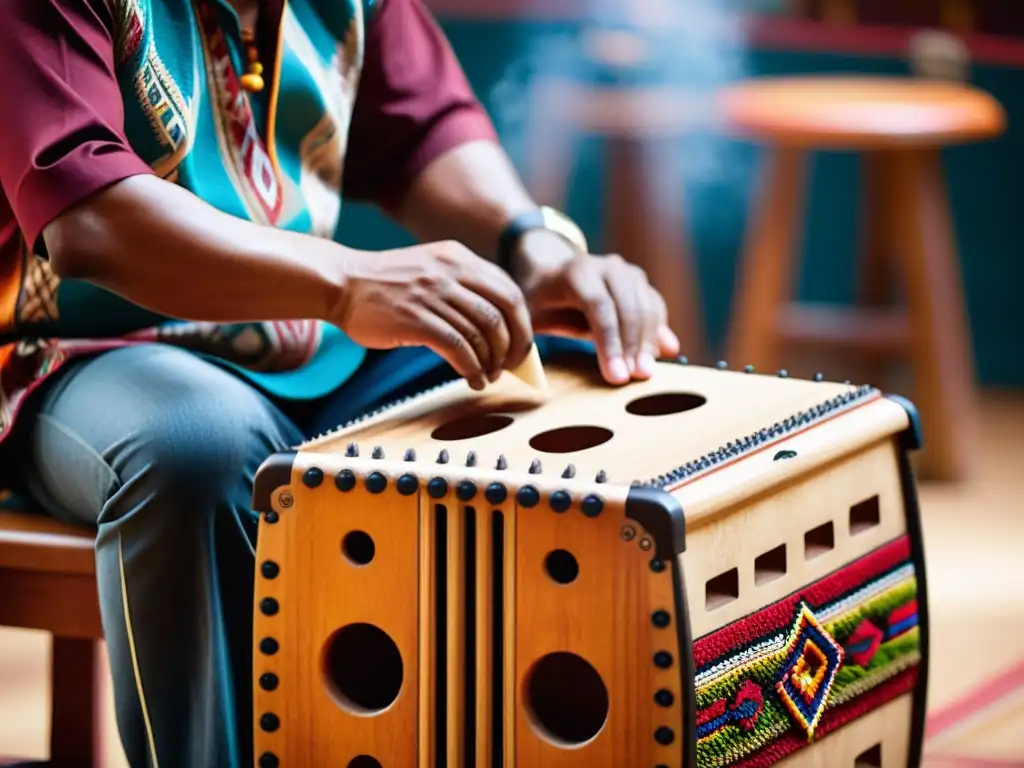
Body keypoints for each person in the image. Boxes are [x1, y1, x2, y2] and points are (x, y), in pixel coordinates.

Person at [0, 0, 679, 765]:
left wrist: (534, 246)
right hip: (63, 356)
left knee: (565, 385)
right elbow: (91, 222)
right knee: (199, 445)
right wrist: (349, 283)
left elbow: (422, 130)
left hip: (300, 341)